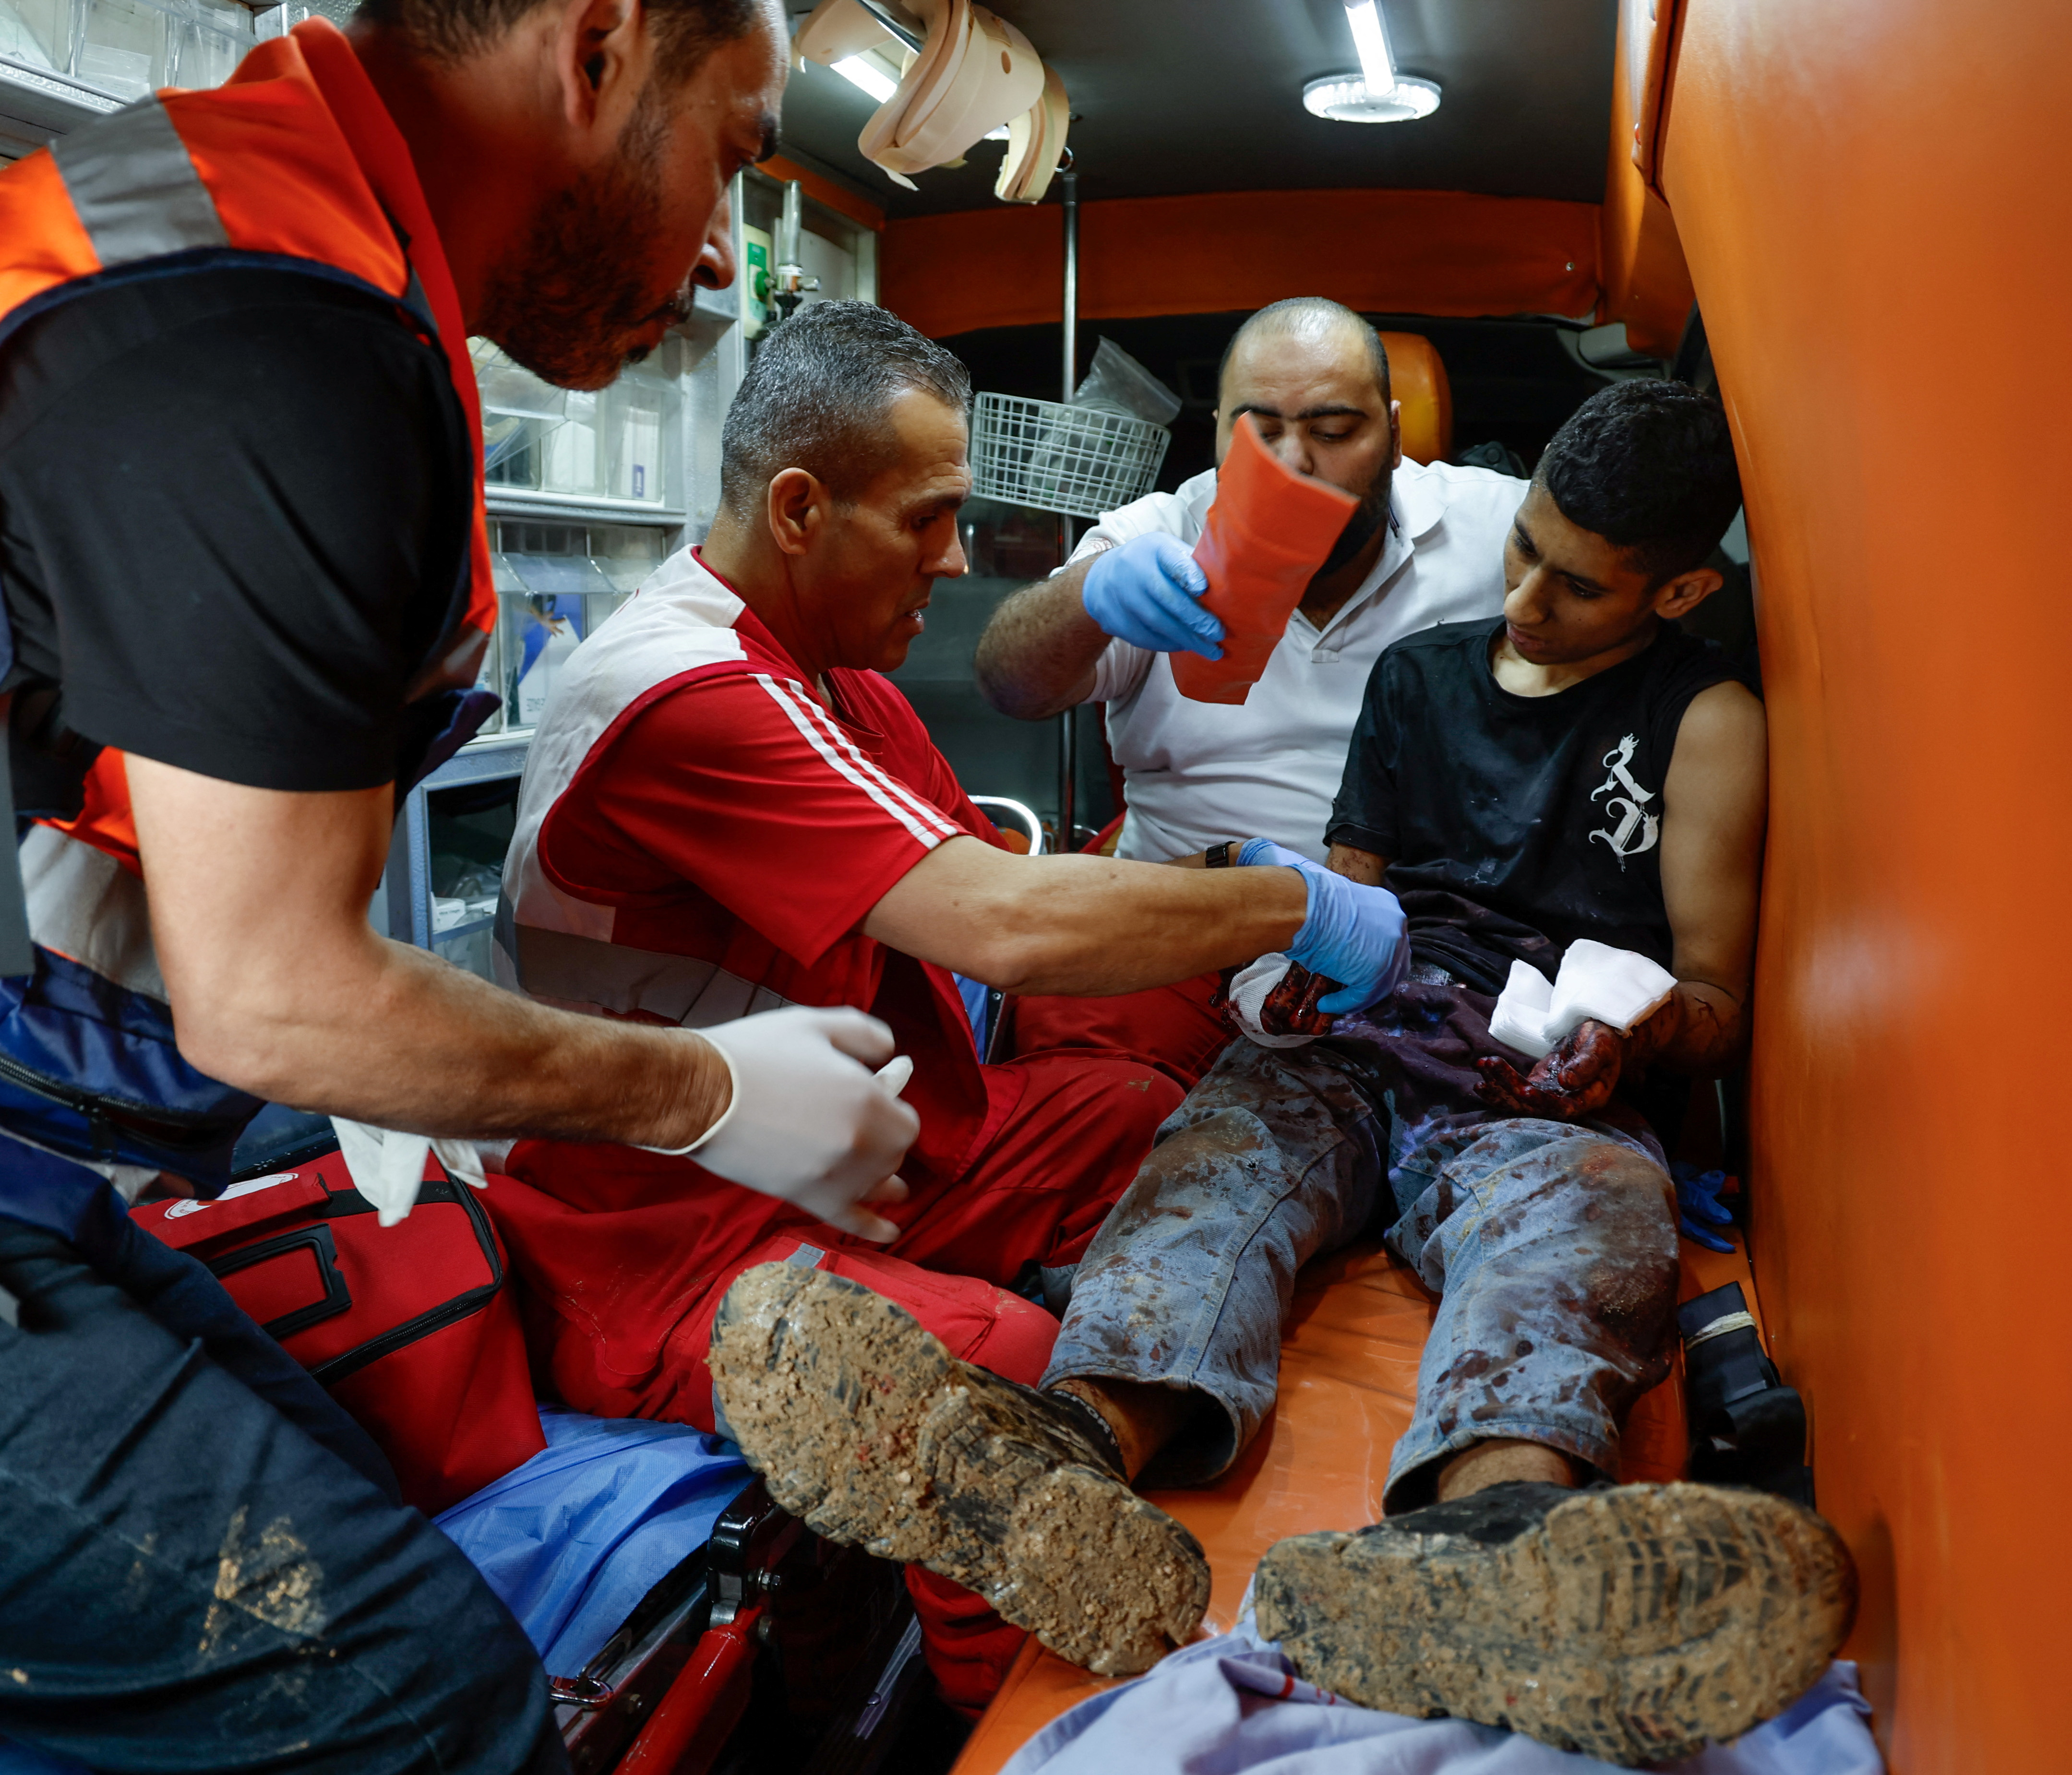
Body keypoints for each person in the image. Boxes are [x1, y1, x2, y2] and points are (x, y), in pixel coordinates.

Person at [0, 0, 911, 1767]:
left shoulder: (293, 249)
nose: (726, 245)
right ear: (596, 53)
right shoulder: (268, 325)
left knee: (348, 1515)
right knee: (421, 1704)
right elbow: (272, 992)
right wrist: (703, 1093)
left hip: (51, 1153)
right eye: (729, 151)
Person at [710, 382, 1858, 1764]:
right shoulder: (1423, 677)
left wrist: (1638, 1038)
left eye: (1579, 583)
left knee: (1585, 1221)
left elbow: (1717, 995)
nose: (1530, 599)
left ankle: (1489, 1541)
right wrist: (1312, 961)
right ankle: (1059, 1463)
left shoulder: (1704, 720)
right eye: (1525, 551)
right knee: (1211, 1171)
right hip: (1370, 1031)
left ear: (1676, 589)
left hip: (1544, 1077)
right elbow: (1358, 885)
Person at [485, 300, 1408, 1705]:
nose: (958, 557)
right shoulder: (685, 692)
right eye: (929, 518)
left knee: (1132, 1110)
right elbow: (1010, 924)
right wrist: (1296, 906)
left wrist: (1229, 872)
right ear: (800, 508)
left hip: (845, 1158)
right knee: (1014, 1366)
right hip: (662, 1234)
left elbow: (984, 886)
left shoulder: (836, 677)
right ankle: (1027, 1715)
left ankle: (1178, 1395)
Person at [973, 297, 1526, 1086]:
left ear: (1395, 433)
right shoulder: (1160, 535)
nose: (1296, 463)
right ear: (1219, 431)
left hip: (1411, 938)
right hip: (1182, 923)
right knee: (1096, 1103)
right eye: (1260, 433)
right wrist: (1088, 598)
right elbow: (1009, 683)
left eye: (1335, 433)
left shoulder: (1495, 532)